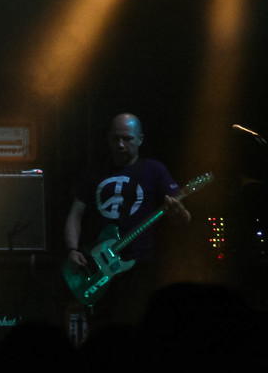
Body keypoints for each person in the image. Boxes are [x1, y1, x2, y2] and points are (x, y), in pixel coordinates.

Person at [63, 113, 191, 327]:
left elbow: (184, 220)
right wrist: (72, 249)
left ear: (140, 139)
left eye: (128, 139)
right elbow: (75, 215)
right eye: (116, 138)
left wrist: (179, 214)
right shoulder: (93, 173)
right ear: (108, 139)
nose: (121, 145)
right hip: (99, 265)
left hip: (137, 269)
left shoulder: (154, 170)